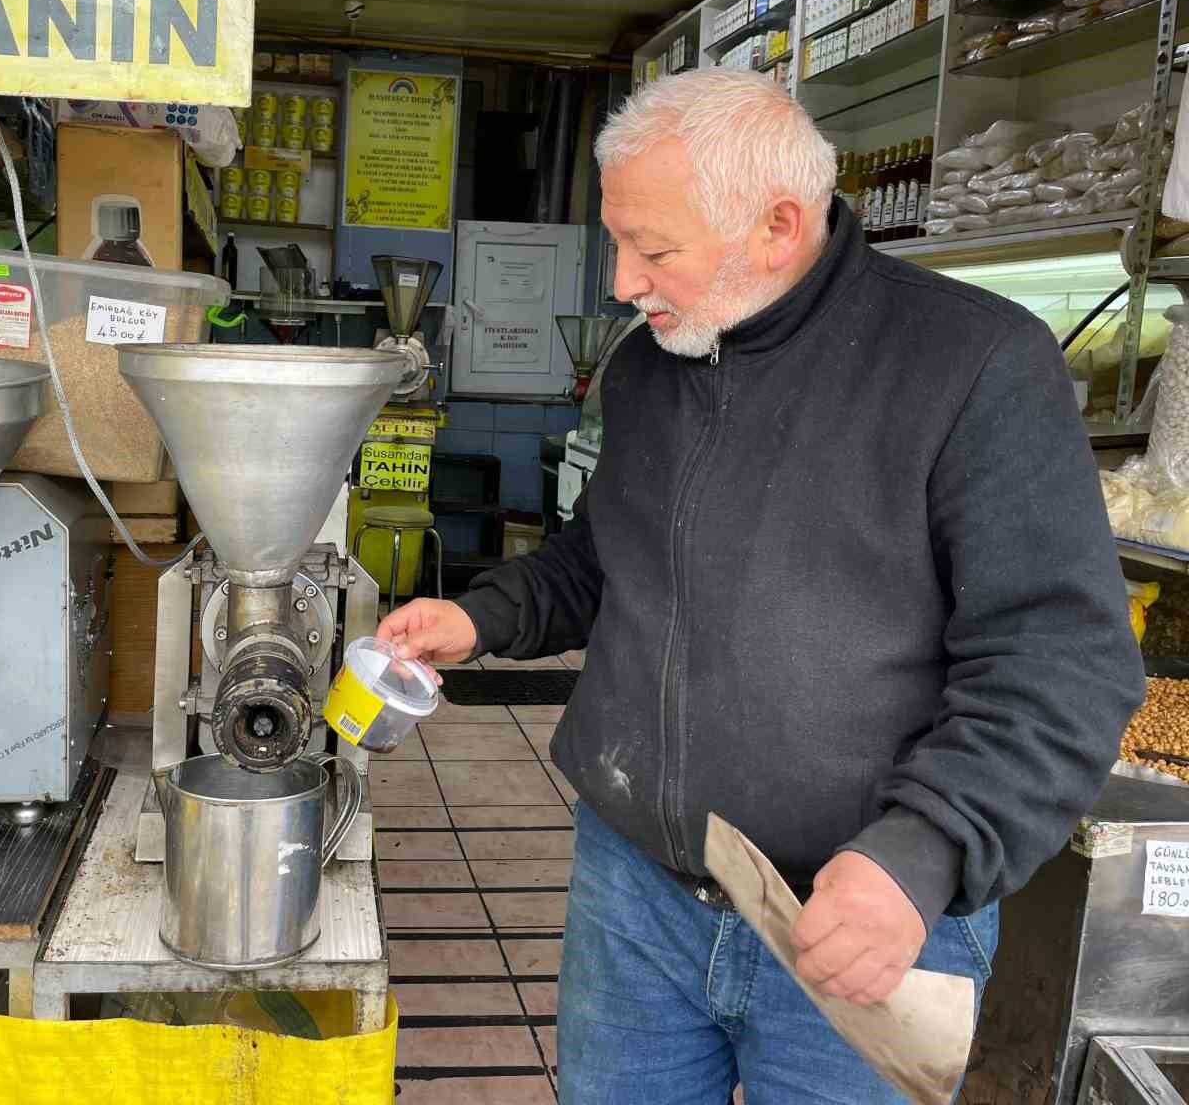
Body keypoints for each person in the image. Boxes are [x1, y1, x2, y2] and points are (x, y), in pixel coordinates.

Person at [378, 69, 1143, 1104]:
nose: (622, 281)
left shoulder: (975, 364)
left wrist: (920, 854)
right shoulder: (652, 367)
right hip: (637, 892)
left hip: (859, 919)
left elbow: (1062, 663)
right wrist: (480, 615)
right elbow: (604, 555)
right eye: (618, 242)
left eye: (652, 250)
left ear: (778, 226)